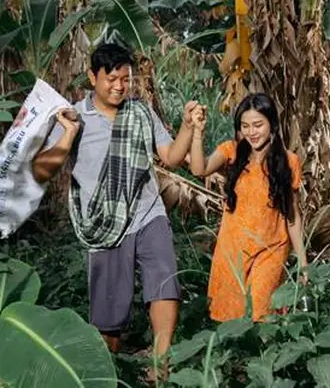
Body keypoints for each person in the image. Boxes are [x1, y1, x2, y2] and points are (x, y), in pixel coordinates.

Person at [32, 42, 198, 374]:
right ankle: (108, 371)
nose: (120, 86)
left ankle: (160, 365)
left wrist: (188, 126)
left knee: (164, 278)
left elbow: (171, 158)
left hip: (148, 211)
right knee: (108, 312)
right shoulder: (75, 115)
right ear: (93, 77)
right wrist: (68, 134)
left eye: (125, 79)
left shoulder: (140, 112)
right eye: (112, 79)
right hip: (103, 223)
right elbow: (41, 170)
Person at [188, 92, 308, 322]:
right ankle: (240, 357)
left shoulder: (289, 161)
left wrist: (303, 261)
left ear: (271, 123)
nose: (251, 132)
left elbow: (292, 215)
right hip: (233, 249)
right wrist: (197, 133)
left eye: (257, 125)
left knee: (262, 310)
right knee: (233, 318)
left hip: (271, 248)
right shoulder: (231, 151)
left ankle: (269, 354)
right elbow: (199, 169)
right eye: (245, 126)